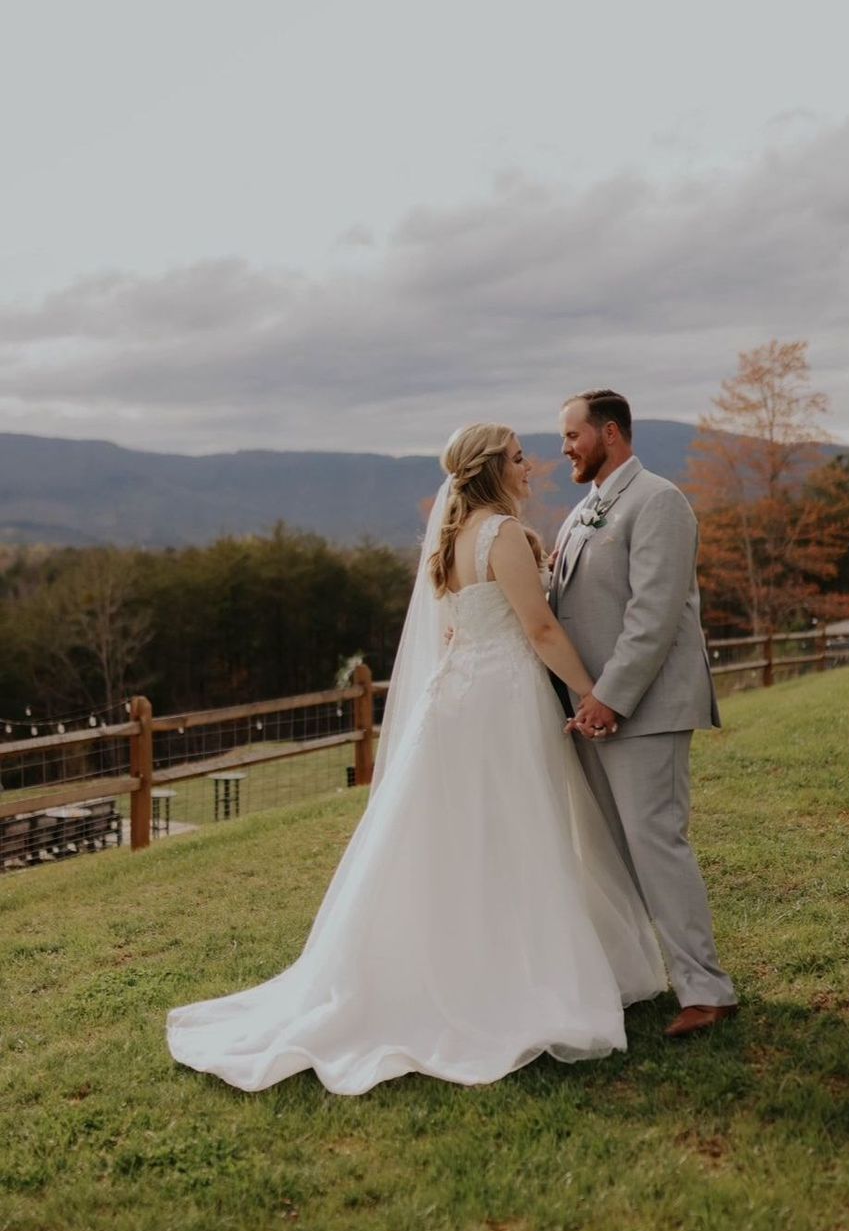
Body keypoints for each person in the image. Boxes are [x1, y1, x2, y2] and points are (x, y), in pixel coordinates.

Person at [166, 423, 665, 1095]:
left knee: (460, 839)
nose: (530, 469)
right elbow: (540, 628)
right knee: (517, 831)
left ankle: (458, 965)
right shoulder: (503, 536)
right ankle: (509, 979)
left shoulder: (453, 537)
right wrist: (592, 693)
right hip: (501, 703)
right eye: (520, 459)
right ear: (493, 467)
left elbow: (459, 625)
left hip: (454, 700)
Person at [549, 389, 738, 1038]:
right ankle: (636, 973)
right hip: (590, 710)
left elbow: (653, 616)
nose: (565, 447)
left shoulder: (659, 501)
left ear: (610, 432)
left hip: (644, 708)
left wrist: (610, 697)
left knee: (658, 845)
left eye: (573, 434)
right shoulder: (583, 510)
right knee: (612, 851)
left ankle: (707, 990)